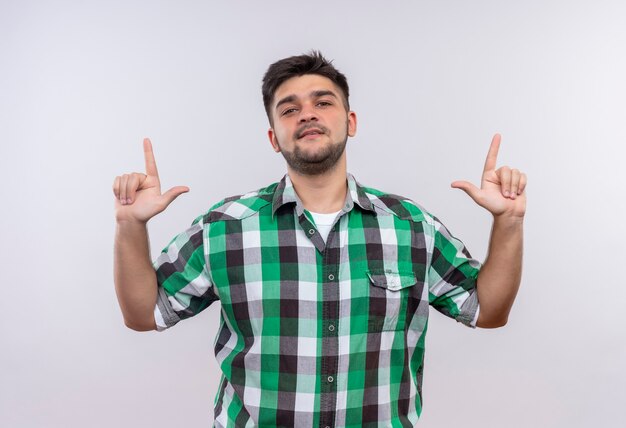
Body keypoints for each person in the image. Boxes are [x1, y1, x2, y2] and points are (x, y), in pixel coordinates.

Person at [113, 51, 527, 427]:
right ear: (274, 138)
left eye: (323, 102)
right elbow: (144, 313)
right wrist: (131, 224)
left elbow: (487, 310)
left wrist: (508, 220)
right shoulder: (225, 227)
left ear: (350, 122)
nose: (307, 115)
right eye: (289, 109)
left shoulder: (413, 227)